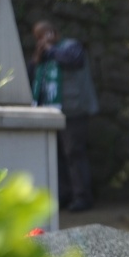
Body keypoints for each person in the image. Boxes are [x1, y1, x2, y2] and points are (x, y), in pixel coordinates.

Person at [28, 20, 99, 212]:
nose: (42, 40)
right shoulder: (43, 55)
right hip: (52, 112)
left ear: (54, 32)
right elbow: (31, 74)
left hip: (74, 111)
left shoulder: (71, 46)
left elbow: (74, 61)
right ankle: (64, 195)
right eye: (38, 37)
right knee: (57, 156)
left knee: (74, 154)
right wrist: (37, 57)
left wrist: (51, 50)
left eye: (45, 34)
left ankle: (82, 197)